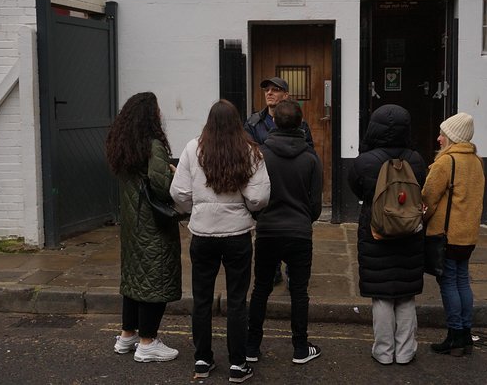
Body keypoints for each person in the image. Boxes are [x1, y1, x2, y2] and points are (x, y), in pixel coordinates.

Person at [170, 99, 270, 383]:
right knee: (237, 300)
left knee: (201, 299)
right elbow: (259, 197)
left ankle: (202, 360)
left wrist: (196, 208)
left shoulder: (193, 148)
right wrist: (246, 207)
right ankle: (238, 364)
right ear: (237, 122)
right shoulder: (249, 150)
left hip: (202, 235)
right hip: (237, 234)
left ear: (209, 121)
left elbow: (178, 193)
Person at [104, 92, 181, 363]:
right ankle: (148, 343)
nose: (161, 114)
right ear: (150, 115)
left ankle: (127, 336)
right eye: (158, 109)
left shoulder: (122, 144)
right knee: (155, 279)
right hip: (152, 225)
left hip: (131, 225)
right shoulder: (153, 146)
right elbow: (162, 187)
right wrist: (174, 174)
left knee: (135, 279)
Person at [347, 104, 427, 365]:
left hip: (376, 232)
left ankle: (383, 351)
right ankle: (405, 352)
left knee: (381, 295)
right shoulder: (415, 159)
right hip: (410, 234)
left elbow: (358, 190)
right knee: (405, 295)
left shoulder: (365, 161)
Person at [246, 100, 323, 365]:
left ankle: (251, 348)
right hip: (300, 232)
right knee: (299, 292)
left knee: (261, 289)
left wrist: (261, 218)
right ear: (301, 123)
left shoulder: (260, 155)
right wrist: (303, 220)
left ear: (274, 122)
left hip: (268, 231)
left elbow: (252, 197)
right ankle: (301, 349)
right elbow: (316, 206)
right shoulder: (311, 157)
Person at [422, 112, 485, 357]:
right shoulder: (477, 161)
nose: (439, 139)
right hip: (467, 235)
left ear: (453, 138)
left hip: (445, 235)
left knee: (448, 282)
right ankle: (466, 335)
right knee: (462, 281)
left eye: (443, 134)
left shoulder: (447, 163)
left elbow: (428, 197)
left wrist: (423, 219)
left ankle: (455, 335)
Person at [244, 76, 315, 286]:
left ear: (286, 95)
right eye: (267, 89)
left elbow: (309, 151)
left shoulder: (301, 124)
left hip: (291, 184)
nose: (269, 93)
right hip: (265, 184)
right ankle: (272, 269)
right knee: (267, 232)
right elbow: (248, 153)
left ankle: (292, 267)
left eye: (275, 90)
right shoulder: (253, 122)